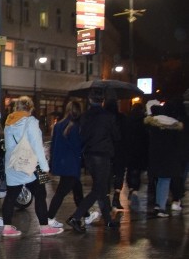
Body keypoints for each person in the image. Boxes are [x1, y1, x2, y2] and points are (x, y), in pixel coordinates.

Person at [0, 96, 60, 237]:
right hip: (33, 165)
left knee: (11, 196)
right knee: (41, 194)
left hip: (13, 163)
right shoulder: (31, 122)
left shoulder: (9, 122)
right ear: (30, 107)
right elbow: (37, 146)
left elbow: (9, 146)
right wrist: (45, 167)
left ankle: (7, 228)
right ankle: (45, 227)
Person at [67, 88, 120, 232]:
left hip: (89, 155)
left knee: (101, 189)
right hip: (103, 155)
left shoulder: (84, 116)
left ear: (90, 100)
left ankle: (108, 220)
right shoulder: (108, 116)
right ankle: (76, 217)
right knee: (99, 189)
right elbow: (116, 136)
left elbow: (81, 135)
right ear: (102, 101)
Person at [144, 98, 186, 217]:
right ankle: (161, 208)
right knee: (165, 180)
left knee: (160, 181)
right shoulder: (174, 125)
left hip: (155, 156)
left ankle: (158, 204)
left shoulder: (153, 123)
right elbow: (178, 144)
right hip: (169, 158)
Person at [45, 101, 84, 228]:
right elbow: (77, 146)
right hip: (72, 164)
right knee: (61, 193)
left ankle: (86, 214)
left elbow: (53, 145)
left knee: (77, 189)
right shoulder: (76, 127)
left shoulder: (59, 125)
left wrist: (52, 162)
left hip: (62, 163)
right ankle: (50, 217)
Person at [123, 103, 148, 210]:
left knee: (130, 169)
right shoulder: (144, 121)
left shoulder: (128, 119)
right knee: (137, 171)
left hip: (129, 149)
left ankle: (132, 187)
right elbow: (146, 137)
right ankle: (135, 189)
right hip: (141, 150)